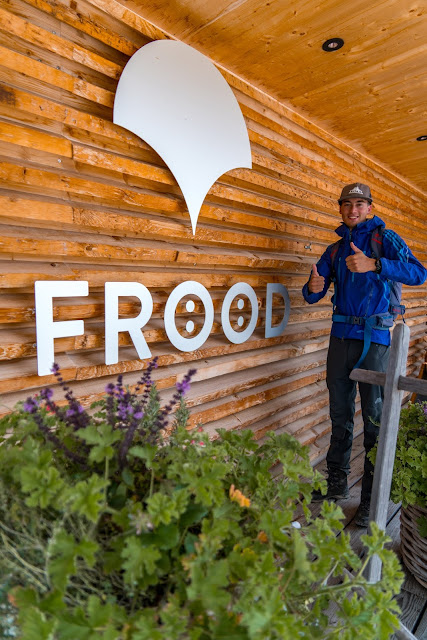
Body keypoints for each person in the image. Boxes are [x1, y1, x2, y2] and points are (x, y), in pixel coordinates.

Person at [302, 183, 427, 527]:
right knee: (339, 414)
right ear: (340, 209)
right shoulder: (335, 249)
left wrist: (376, 264)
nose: (353, 210)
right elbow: (314, 287)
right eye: (347, 204)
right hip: (340, 339)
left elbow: (419, 273)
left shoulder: (386, 239)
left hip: (376, 340)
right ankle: (337, 484)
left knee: (373, 420)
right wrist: (312, 289)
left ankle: (371, 501)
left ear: (369, 208)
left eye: (360, 204)